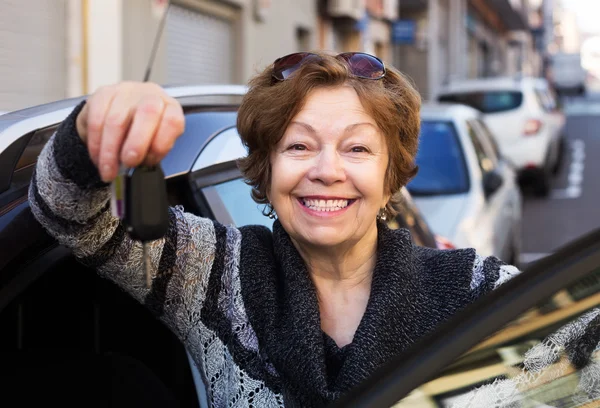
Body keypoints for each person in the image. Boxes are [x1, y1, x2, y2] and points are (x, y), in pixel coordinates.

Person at [29, 51, 521, 407]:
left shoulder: (475, 292)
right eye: (299, 147)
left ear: (392, 175)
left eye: (356, 149)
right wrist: (90, 127)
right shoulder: (213, 272)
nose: (327, 170)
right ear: (265, 171)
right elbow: (71, 214)